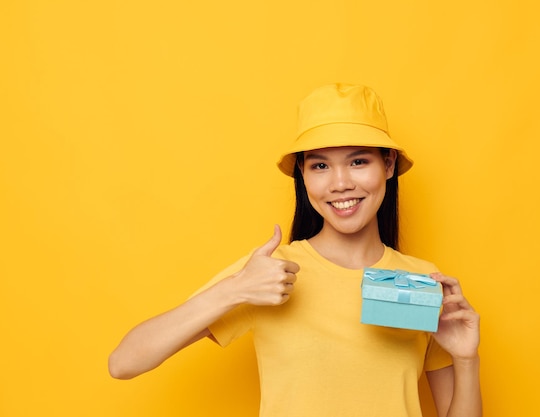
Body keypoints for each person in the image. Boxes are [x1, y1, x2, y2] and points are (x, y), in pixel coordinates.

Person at [108, 83, 482, 417]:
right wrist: (235, 289)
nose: (340, 183)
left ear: (388, 165)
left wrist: (465, 359)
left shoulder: (418, 280)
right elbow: (124, 362)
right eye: (320, 165)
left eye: (358, 161)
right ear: (303, 176)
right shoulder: (271, 273)